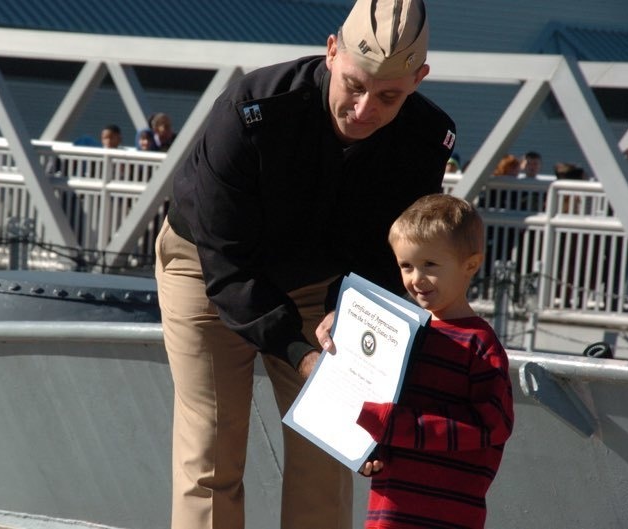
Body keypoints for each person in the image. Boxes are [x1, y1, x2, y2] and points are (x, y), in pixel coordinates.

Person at [155, 0, 456, 527]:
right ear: (331, 50)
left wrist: (353, 313)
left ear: (419, 81)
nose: (364, 111)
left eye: (389, 97)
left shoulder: (423, 140)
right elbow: (227, 266)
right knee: (211, 454)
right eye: (355, 87)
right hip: (205, 267)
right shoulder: (252, 108)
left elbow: (392, 255)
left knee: (329, 449)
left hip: (322, 280)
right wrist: (299, 352)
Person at [353, 193, 514, 529]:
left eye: (430, 265)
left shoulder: (479, 343)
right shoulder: (401, 334)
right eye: (406, 266)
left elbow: (493, 424)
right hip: (390, 506)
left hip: (446, 514)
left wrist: (394, 425)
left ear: (470, 264)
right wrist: (366, 448)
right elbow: (385, 418)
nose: (416, 278)